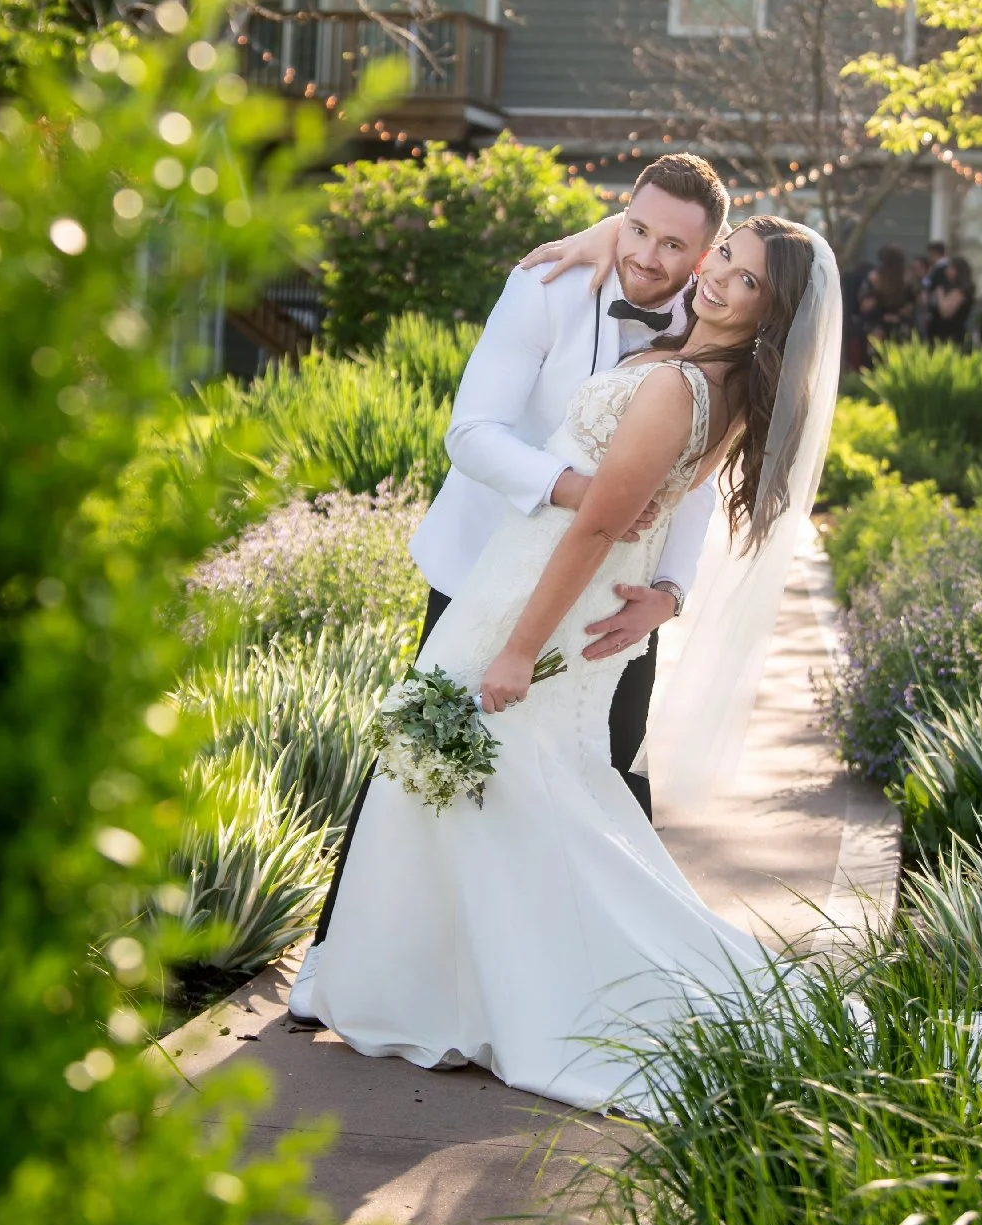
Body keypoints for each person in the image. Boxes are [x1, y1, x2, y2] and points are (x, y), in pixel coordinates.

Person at [309, 215, 842, 1111]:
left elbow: (597, 524)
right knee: (504, 788)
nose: (713, 279)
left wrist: (518, 648)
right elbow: (658, 226)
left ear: (770, 310)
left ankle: (504, 993)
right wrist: (609, 230)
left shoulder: (680, 382)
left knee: (489, 779)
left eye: (744, 280)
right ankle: (453, 983)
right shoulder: (722, 375)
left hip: (540, 599)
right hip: (546, 585)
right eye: (719, 258)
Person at [289, 155, 729, 1024]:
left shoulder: (714, 319)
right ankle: (343, 964)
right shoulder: (545, 285)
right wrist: (581, 495)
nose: (647, 256)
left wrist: (672, 590)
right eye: (635, 228)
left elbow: (700, 476)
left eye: (675, 245)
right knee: (421, 763)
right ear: (621, 214)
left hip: (617, 596)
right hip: (483, 573)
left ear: (709, 253)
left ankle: (613, 993)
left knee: (607, 772)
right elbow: (472, 434)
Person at [855, 243, 917, 360]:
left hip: (876, 329)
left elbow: (865, 306)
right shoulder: (907, 281)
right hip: (900, 329)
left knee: (873, 364)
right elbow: (910, 308)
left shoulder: (874, 279)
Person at [928, 253, 974, 346]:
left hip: (952, 337)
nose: (947, 271)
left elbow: (945, 312)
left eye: (951, 268)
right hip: (937, 334)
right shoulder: (949, 288)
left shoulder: (960, 291)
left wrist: (940, 294)